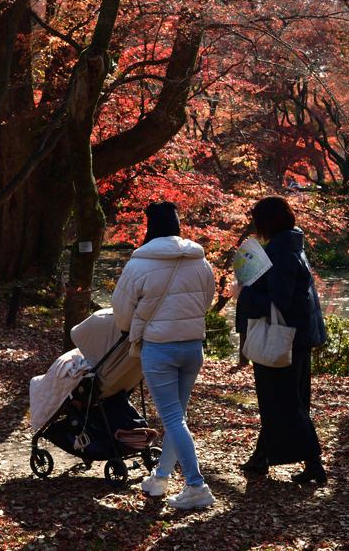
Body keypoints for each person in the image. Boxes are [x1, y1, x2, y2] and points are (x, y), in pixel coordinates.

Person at [111, 201, 217, 509]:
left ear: (150, 228)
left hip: (160, 350)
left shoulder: (139, 263)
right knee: (177, 419)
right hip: (193, 347)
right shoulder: (201, 261)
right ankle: (159, 479)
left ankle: (196, 486)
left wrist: (137, 325)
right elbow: (206, 301)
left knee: (172, 418)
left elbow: (121, 313)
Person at [231, 196, 329, 485]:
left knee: (284, 402)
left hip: (284, 337)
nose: (255, 227)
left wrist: (242, 294)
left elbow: (279, 302)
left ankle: (314, 464)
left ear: (268, 222)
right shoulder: (290, 246)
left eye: (257, 221)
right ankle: (262, 458)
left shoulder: (280, 253)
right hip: (297, 336)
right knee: (284, 401)